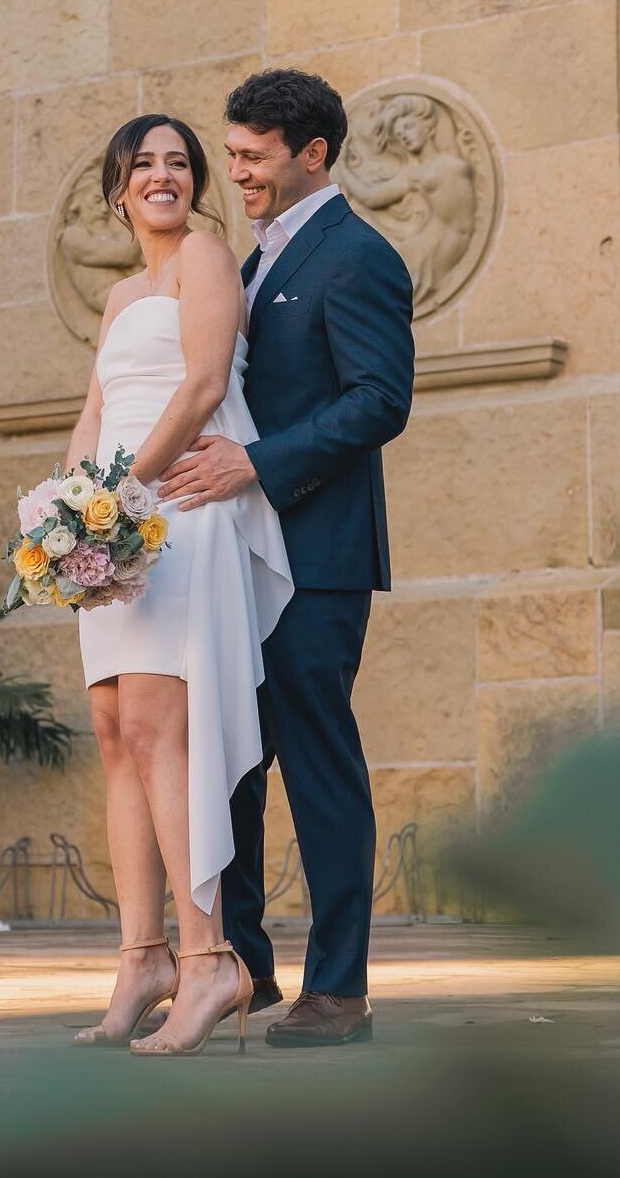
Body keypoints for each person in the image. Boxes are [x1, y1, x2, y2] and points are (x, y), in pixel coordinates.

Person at [158, 68, 415, 1048]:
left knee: (317, 764)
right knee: (228, 761)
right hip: (241, 558)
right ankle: (246, 969)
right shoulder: (259, 258)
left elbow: (378, 400)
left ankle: (339, 986)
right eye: (232, 154)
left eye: (254, 156)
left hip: (318, 554)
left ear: (312, 152)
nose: (238, 172)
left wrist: (255, 465)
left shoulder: (359, 255)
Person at [68, 113, 294, 1057]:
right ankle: (143, 956)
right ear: (118, 188)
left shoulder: (205, 256)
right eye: (143, 164)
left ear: (193, 184)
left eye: (178, 163)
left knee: (165, 728)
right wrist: (66, 515)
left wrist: (123, 492)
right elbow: (95, 412)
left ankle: (210, 960)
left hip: (182, 513)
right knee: (117, 728)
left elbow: (201, 385)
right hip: (115, 525)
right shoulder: (120, 294)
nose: (162, 175)